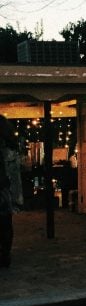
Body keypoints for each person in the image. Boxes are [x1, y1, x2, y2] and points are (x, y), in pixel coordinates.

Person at [0, 114, 22, 269]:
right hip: (5, 191)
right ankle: (4, 255)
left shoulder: (7, 150)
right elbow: (14, 175)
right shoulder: (10, 148)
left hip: (3, 188)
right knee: (5, 224)